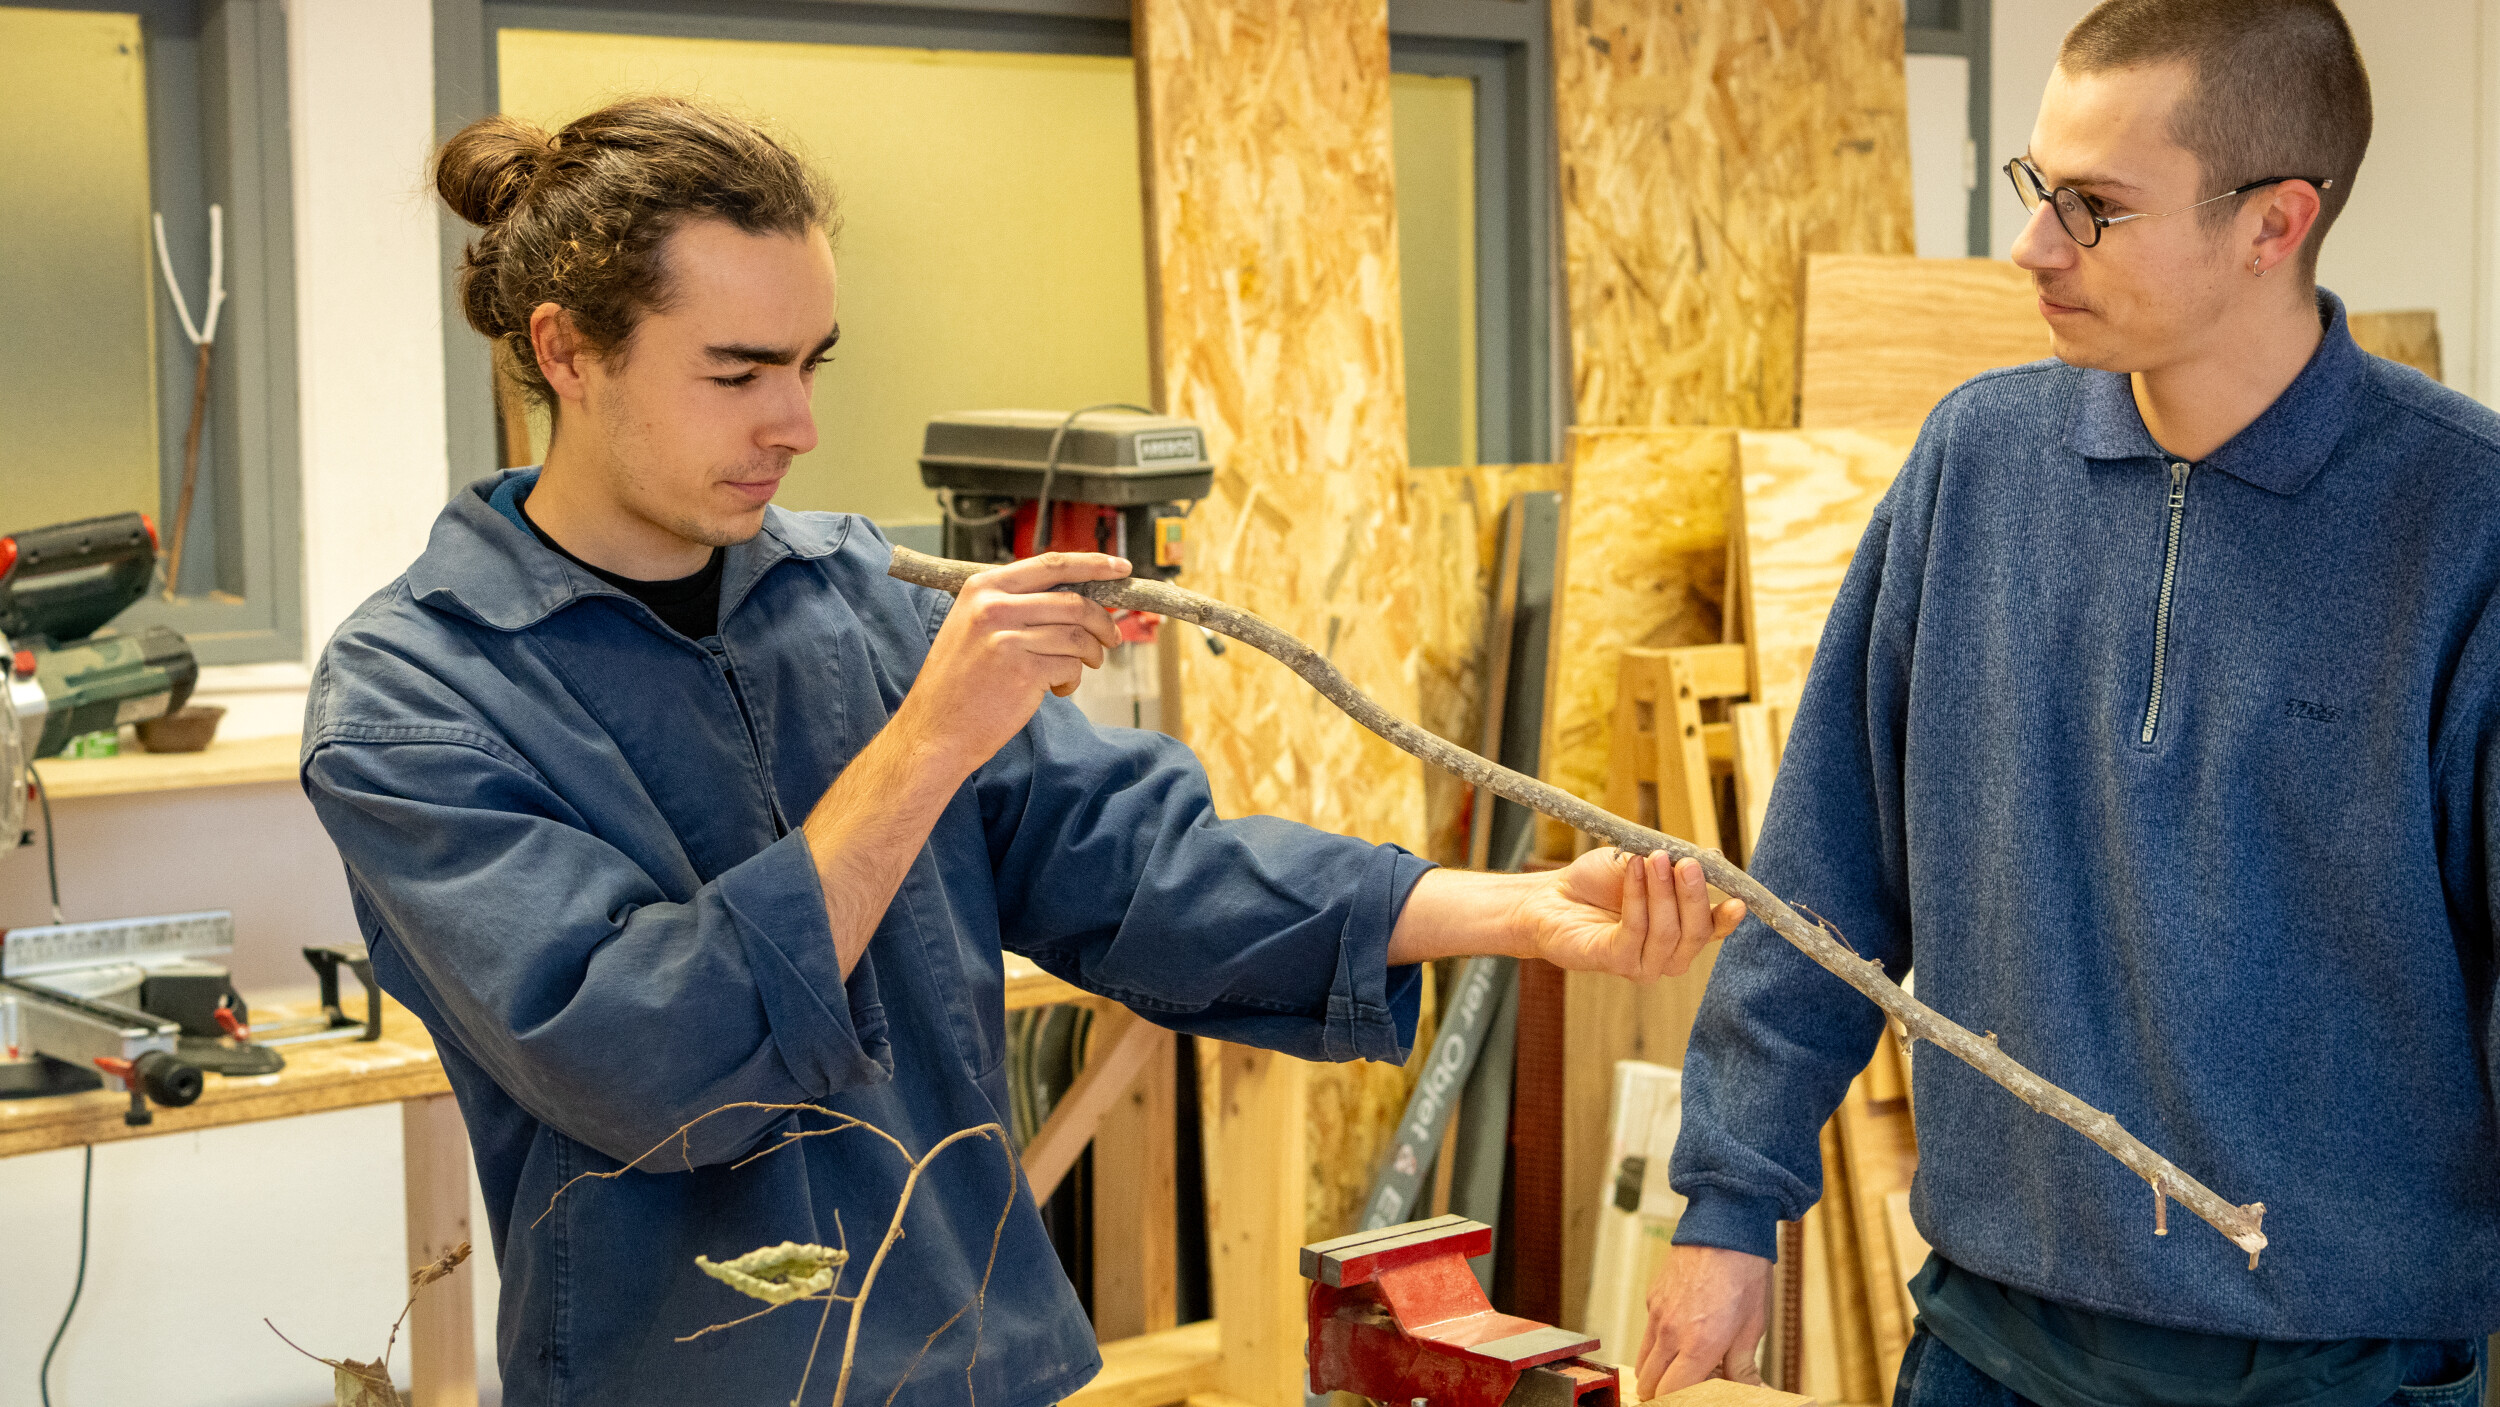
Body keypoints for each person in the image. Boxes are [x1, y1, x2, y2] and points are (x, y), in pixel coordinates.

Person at [298, 97, 1746, 1407]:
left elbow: (1138, 870)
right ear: (567, 349)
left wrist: (1516, 913)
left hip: (980, 1363)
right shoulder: (418, 698)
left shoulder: (853, 597)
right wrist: (928, 738)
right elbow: (653, 1059)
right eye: (738, 372)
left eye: (810, 364)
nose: (796, 424)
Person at [1639, 2, 2500, 1403]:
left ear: (2276, 224)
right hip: (1990, 1344)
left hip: (2333, 1369)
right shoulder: (1975, 465)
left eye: (2096, 207)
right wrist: (1731, 1203)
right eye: (2041, 188)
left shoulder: (2463, 527)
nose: (2035, 248)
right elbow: (1828, 876)